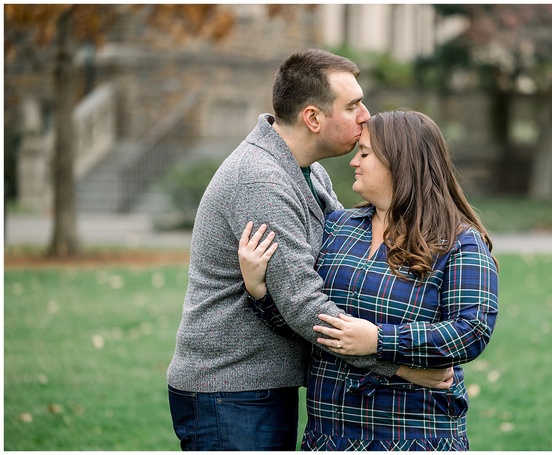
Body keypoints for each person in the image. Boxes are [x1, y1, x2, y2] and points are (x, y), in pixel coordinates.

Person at [166, 50, 453, 451]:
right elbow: (304, 303)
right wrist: (402, 366)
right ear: (313, 118)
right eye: (352, 105)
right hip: (231, 389)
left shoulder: (308, 171)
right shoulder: (260, 181)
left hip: (261, 384)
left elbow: (339, 254)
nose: (365, 115)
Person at [239, 109, 499, 451]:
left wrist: (379, 340)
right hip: (330, 437)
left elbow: (472, 331)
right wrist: (260, 292)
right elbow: (310, 324)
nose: (353, 162)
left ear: (399, 162)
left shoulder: (458, 242)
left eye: (365, 153)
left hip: (413, 436)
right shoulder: (338, 226)